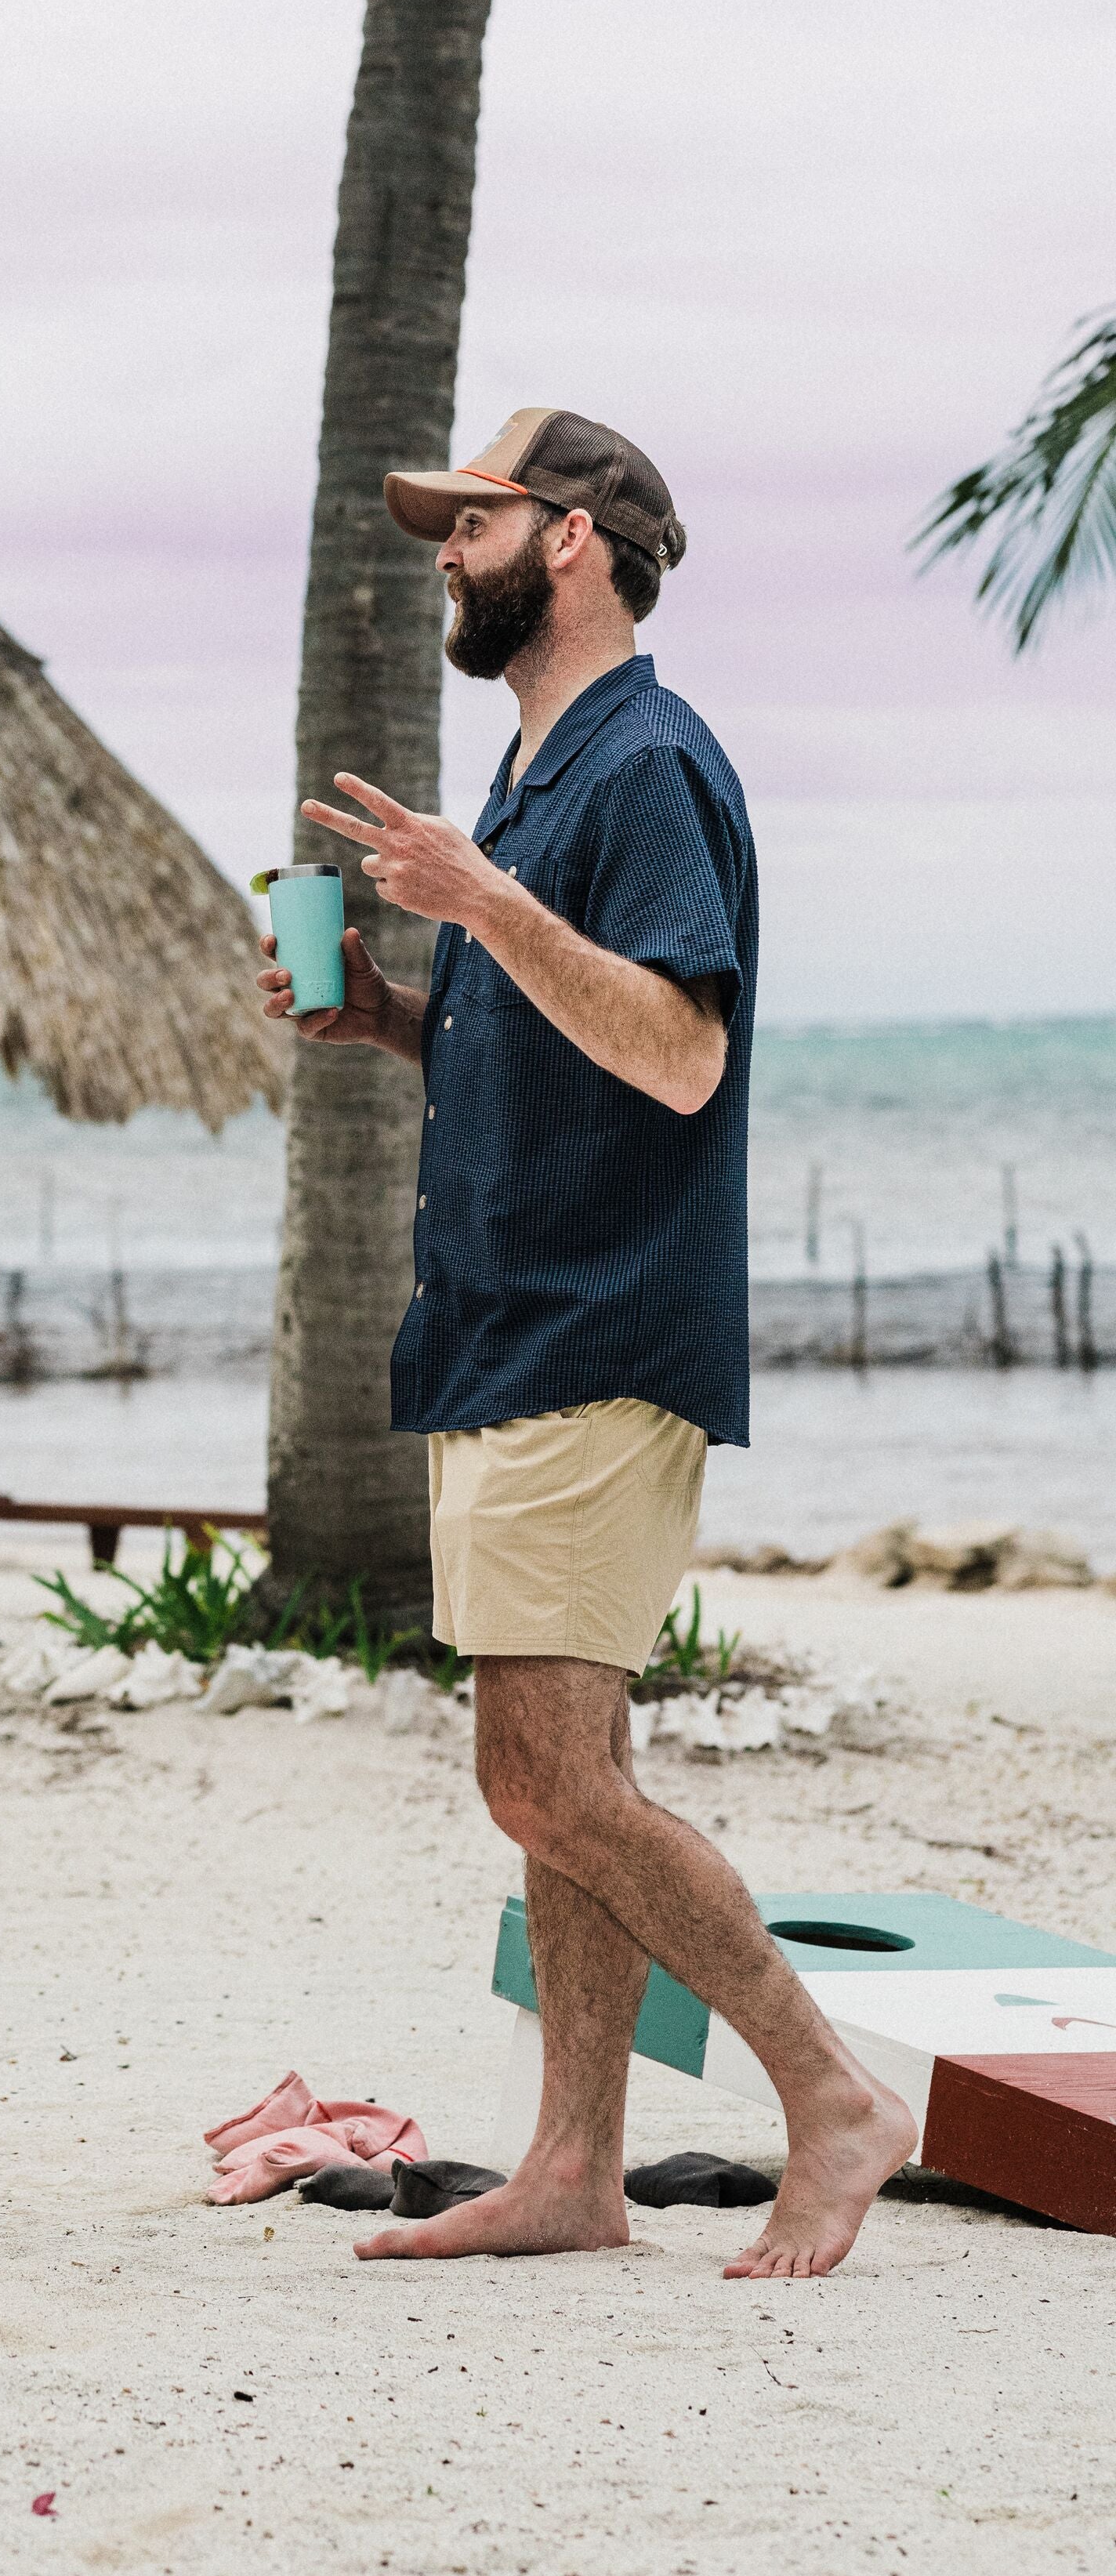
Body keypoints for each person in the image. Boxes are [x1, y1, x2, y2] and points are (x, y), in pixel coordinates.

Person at [259, 410, 914, 2280]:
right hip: (502, 1319)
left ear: (570, 539)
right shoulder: (546, 770)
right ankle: (573, 2164)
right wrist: (403, 1014)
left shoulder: (643, 764)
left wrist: (485, 903)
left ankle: (834, 2094)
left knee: (545, 1777)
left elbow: (684, 1050)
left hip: (597, 1326)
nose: (440, 551)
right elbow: (560, 1039)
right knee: (569, 1769)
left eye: (467, 522)